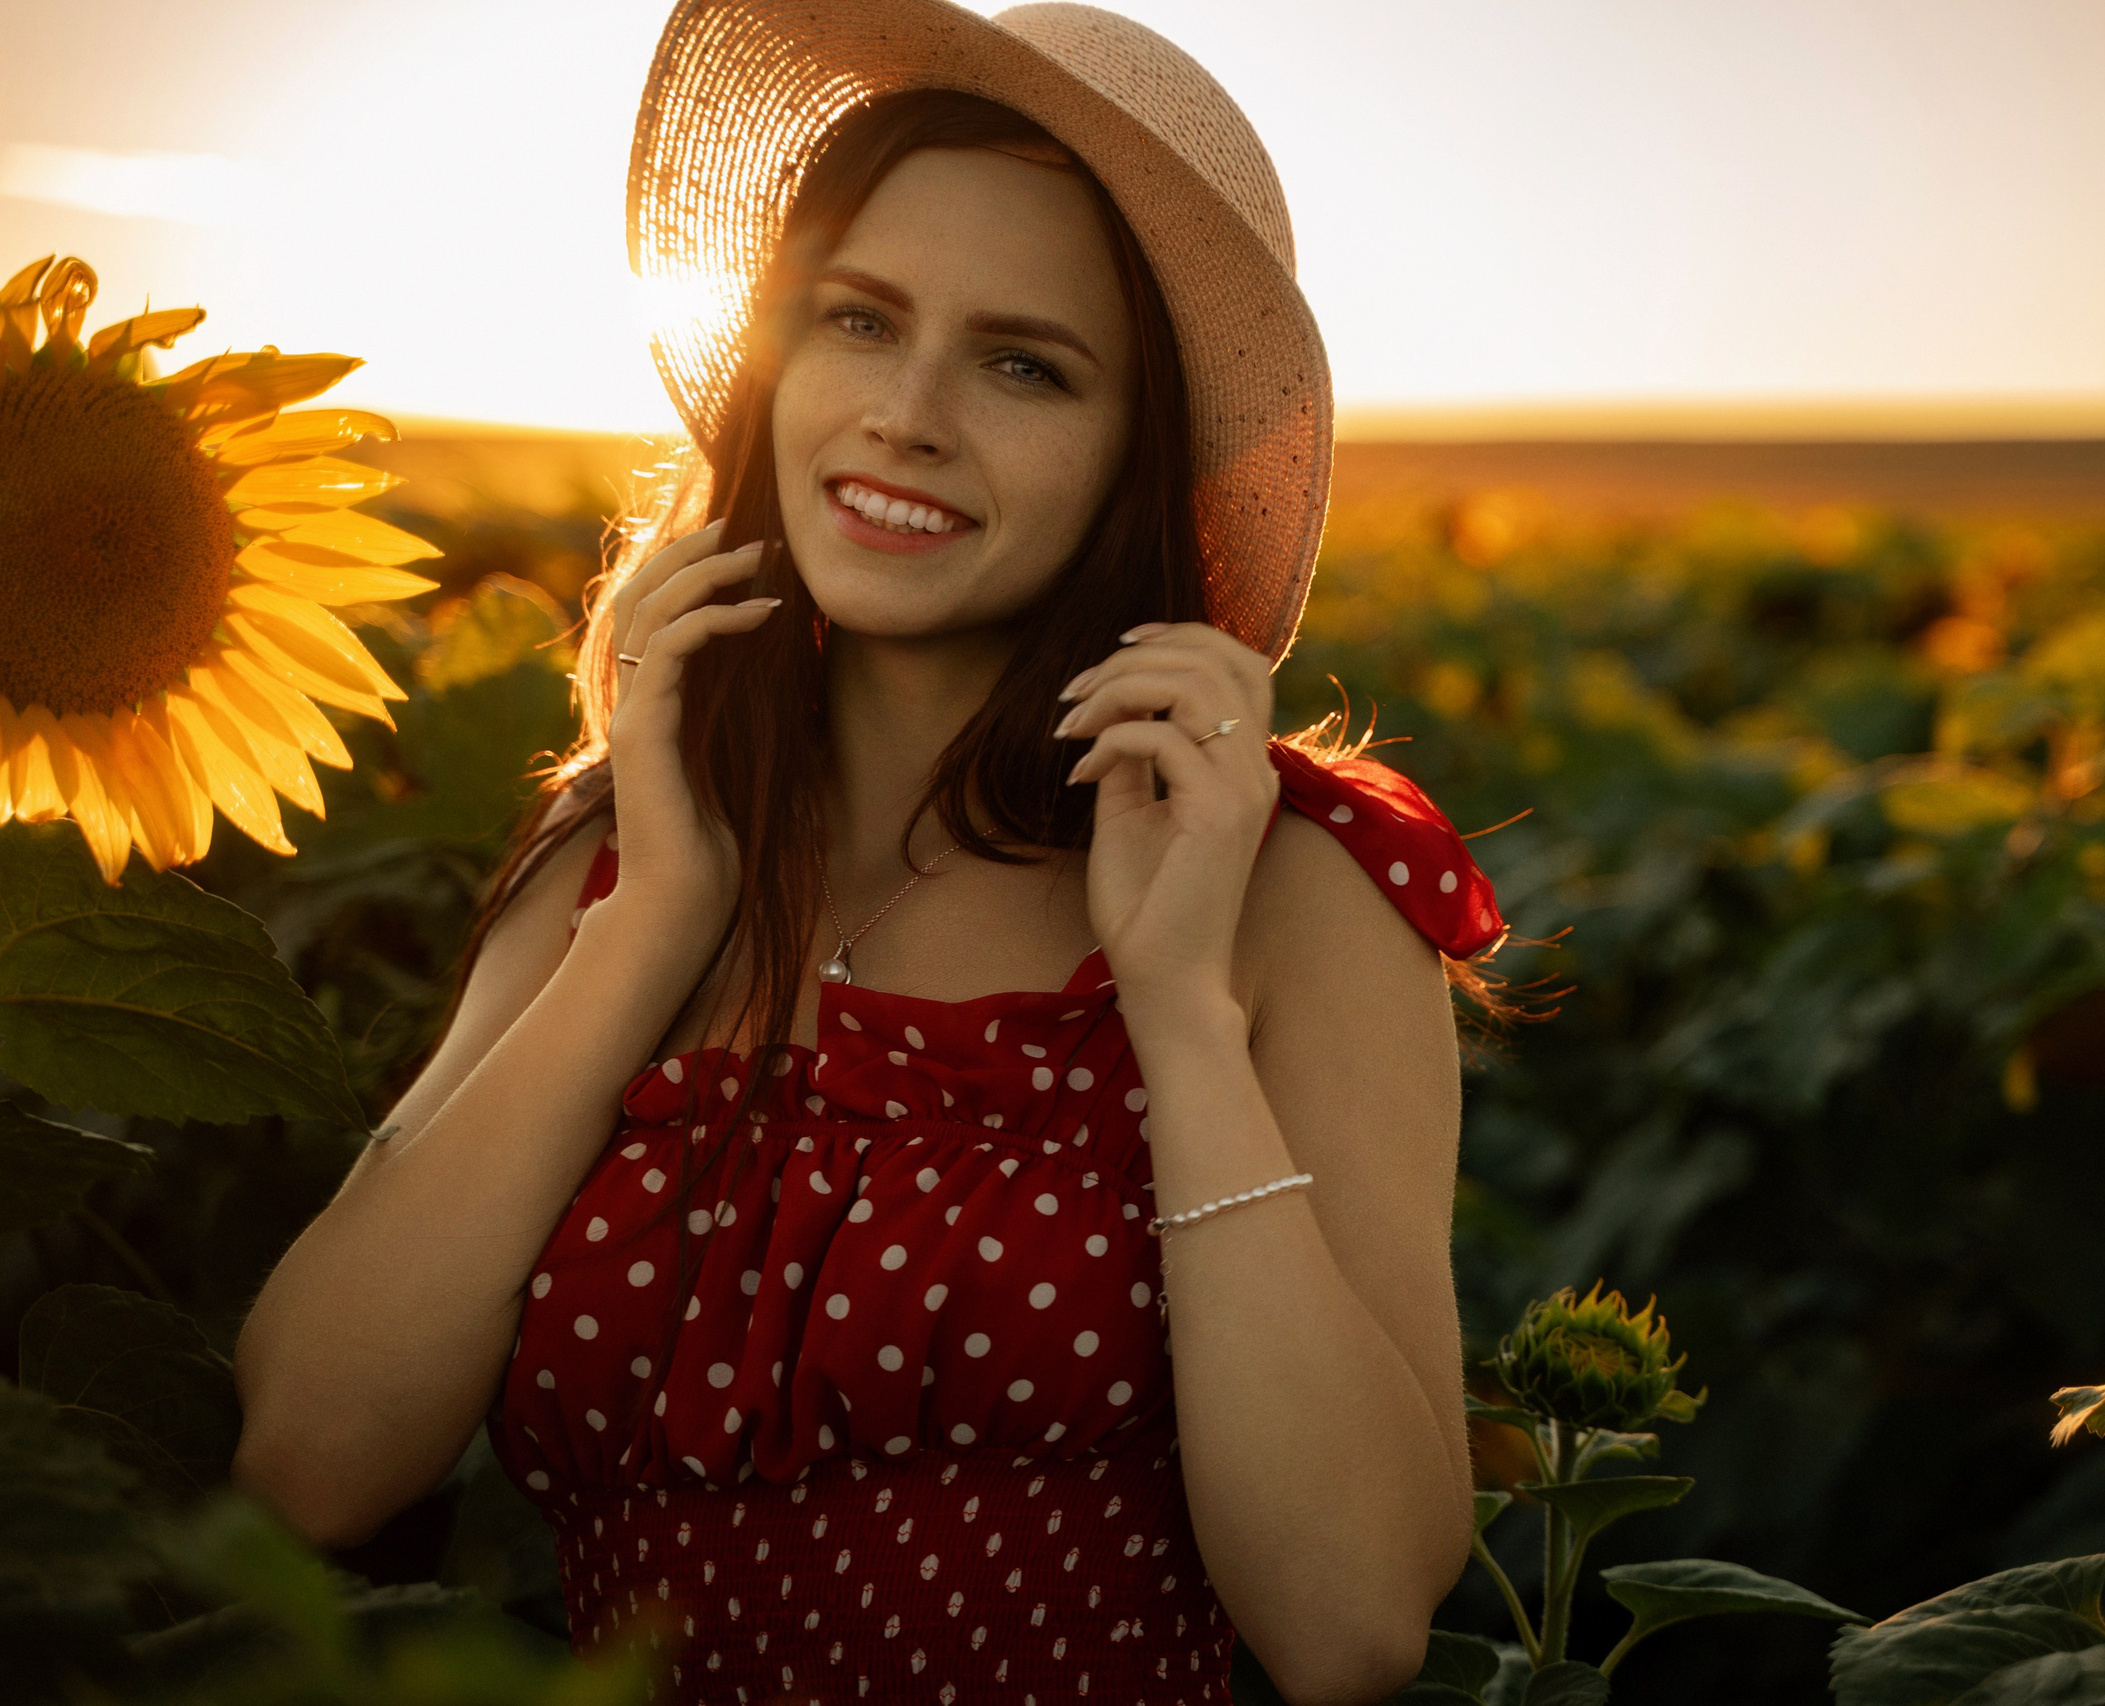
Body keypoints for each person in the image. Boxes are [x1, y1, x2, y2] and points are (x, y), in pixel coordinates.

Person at [232, 2, 1509, 1701]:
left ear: (1144, 450)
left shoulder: (1290, 883)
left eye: (1022, 362)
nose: (904, 413)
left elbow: (1348, 1622)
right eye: (858, 319)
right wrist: (659, 914)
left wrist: (1179, 1006)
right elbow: (311, 1457)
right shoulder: (628, 851)